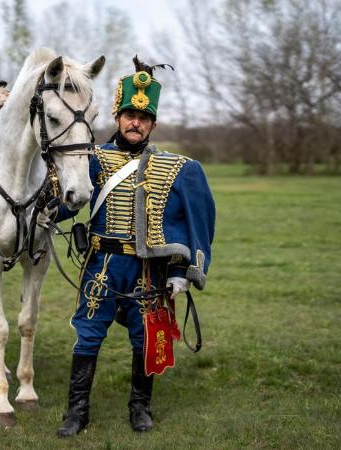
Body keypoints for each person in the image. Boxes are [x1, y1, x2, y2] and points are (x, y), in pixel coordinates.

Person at [48, 57, 215, 437]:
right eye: (128, 115)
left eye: (143, 117)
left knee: (145, 337)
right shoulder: (93, 158)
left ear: (152, 124)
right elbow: (67, 201)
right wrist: (40, 216)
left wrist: (180, 274)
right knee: (88, 334)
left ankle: (140, 407)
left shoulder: (178, 168)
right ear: (117, 117)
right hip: (102, 265)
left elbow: (191, 226)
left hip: (148, 270)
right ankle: (77, 412)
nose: (134, 122)